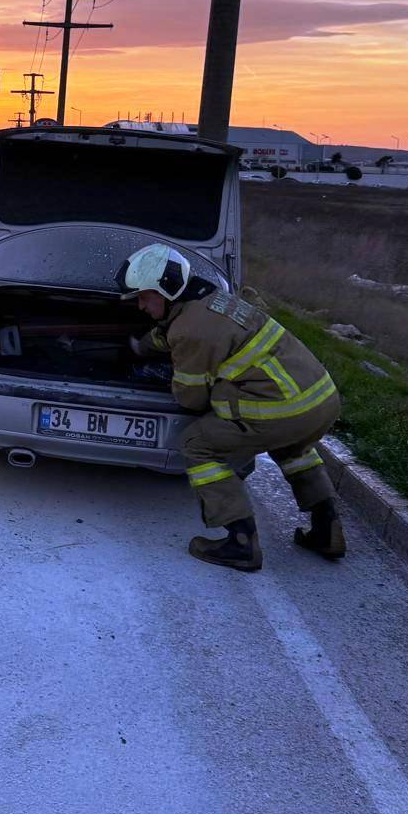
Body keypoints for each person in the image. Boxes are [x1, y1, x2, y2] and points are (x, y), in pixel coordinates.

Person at [118, 243, 345, 572]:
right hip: (319, 401)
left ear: (166, 291)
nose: (139, 306)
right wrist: (143, 346)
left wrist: (167, 370)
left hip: (282, 409)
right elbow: (172, 333)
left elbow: (191, 399)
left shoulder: (190, 330)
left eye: (142, 297)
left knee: (198, 444)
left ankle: (240, 542)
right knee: (291, 446)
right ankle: (327, 526)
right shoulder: (213, 302)